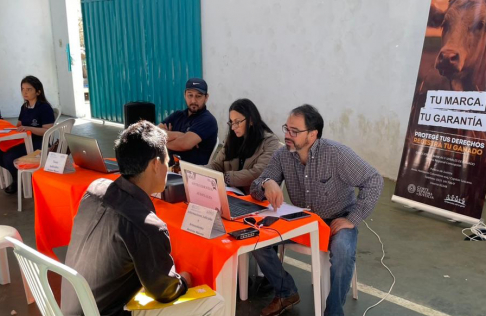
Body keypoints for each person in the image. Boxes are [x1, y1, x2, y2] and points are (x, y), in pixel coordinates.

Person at [61, 121, 224, 316]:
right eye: (168, 161)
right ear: (155, 164)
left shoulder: (95, 189)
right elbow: (164, 291)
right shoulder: (146, 225)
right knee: (216, 302)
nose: (169, 167)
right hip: (109, 311)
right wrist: (184, 281)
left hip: (71, 308)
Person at [250, 105, 383, 316]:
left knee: (342, 252)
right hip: (301, 220)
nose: (287, 135)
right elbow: (255, 188)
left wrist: (353, 218)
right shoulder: (282, 156)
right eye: (286, 128)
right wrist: (266, 183)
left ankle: (333, 312)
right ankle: (286, 292)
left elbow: (374, 180)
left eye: (295, 131)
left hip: (337, 220)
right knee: (254, 239)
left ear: (313, 134)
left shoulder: (337, 154)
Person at [205, 98, 281, 194]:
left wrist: (226, 178)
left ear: (251, 120)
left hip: (254, 197)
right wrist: (197, 170)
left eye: (237, 122)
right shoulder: (232, 138)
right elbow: (217, 165)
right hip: (230, 192)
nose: (233, 127)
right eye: (231, 122)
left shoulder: (269, 141)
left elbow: (259, 172)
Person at [0, 75, 55, 194]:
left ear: (38, 91)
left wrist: (28, 128)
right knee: (1, 152)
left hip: (40, 143)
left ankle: (17, 181)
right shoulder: (24, 107)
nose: (25, 92)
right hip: (24, 140)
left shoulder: (44, 108)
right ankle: (18, 175)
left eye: (29, 89)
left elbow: (47, 130)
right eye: (23, 89)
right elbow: (19, 125)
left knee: (8, 156)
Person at [159, 78, 218, 165]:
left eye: (198, 96)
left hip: (192, 173)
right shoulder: (177, 115)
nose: (193, 100)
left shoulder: (208, 120)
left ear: (206, 97)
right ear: (184, 95)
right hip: (170, 169)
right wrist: (178, 135)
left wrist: (162, 140)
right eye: (190, 95)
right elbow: (154, 133)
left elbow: (184, 144)